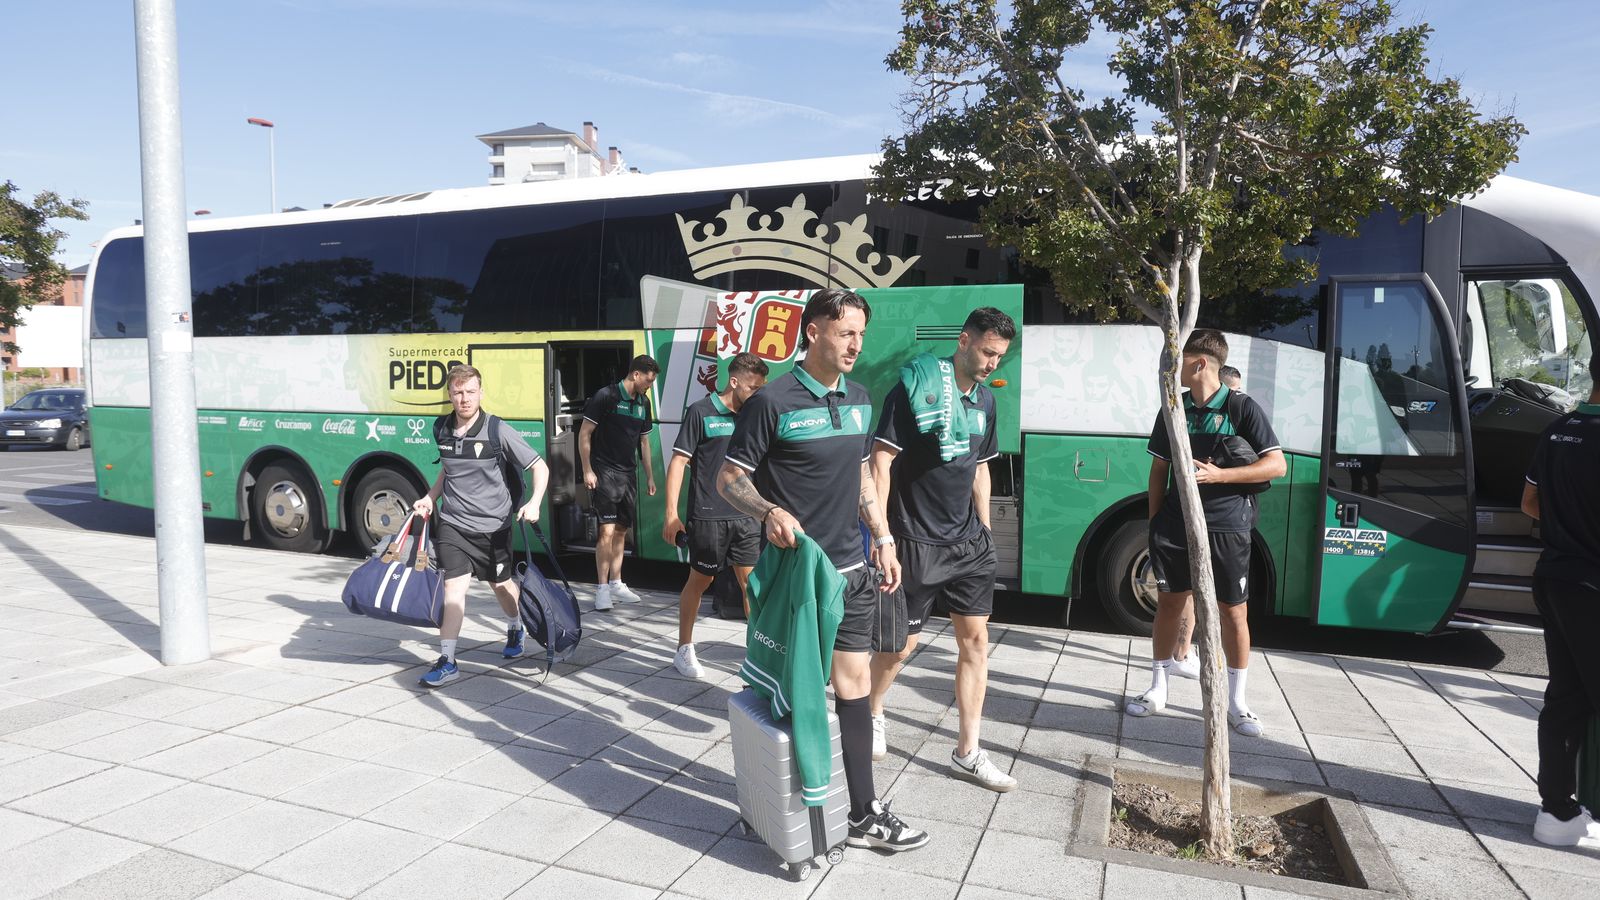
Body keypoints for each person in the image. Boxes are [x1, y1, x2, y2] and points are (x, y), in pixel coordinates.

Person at [719, 288, 930, 852]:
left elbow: (862, 473)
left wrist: (882, 537)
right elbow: (730, 478)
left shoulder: (859, 398)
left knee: (854, 686)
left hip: (853, 570)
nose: (856, 344)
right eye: (846, 333)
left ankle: (862, 812)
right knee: (794, 693)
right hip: (800, 577)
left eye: (861, 334)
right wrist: (768, 511)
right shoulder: (772, 401)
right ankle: (778, 800)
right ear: (813, 332)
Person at [868, 306, 1018, 792]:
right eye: (988, 352)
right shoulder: (915, 390)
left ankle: (967, 751)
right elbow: (880, 462)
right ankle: (872, 712)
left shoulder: (986, 401)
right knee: (900, 647)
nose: (993, 363)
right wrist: (882, 536)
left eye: (1000, 356)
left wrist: (986, 529)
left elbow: (981, 467)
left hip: (968, 544)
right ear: (964, 340)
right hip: (915, 540)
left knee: (976, 642)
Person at [1126, 329, 1285, 736]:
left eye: (1178, 360)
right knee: (1169, 604)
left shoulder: (1241, 407)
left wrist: (1220, 476)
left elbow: (1276, 465)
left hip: (1228, 527)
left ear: (1199, 364)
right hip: (1174, 527)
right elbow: (1158, 471)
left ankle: (1237, 704)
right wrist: (1156, 524)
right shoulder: (1173, 408)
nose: (1171, 368)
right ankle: (1158, 688)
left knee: (1233, 612)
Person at [412, 364, 549, 687]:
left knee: (500, 585)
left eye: (470, 392)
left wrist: (534, 503)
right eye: (458, 392)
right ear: (449, 395)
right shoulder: (441, 428)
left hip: (493, 527)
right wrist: (431, 497)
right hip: (454, 524)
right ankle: (448, 660)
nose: (465, 398)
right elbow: (449, 469)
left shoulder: (497, 430)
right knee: (453, 589)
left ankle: (514, 625)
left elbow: (539, 466)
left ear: (481, 393)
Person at [1520, 359, 1600, 847]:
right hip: (1593, 585)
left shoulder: (1557, 430)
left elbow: (1530, 503)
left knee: (1565, 698)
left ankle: (1557, 812)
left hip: (1555, 577)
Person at [662, 352, 770, 678]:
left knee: (752, 586)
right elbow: (679, 462)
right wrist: (671, 514)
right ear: (734, 382)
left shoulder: (755, 414)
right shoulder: (701, 412)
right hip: (708, 515)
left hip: (747, 515)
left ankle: (758, 656)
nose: (758, 393)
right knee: (701, 580)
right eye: (753, 387)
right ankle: (684, 649)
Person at [579, 355, 659, 611]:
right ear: (636, 374)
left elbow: (644, 442)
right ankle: (602, 589)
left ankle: (616, 582)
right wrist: (587, 470)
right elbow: (584, 433)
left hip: (628, 475)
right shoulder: (606, 396)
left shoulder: (643, 403)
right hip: (605, 472)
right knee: (606, 530)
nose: (649, 386)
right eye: (648, 381)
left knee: (622, 530)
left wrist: (649, 476)